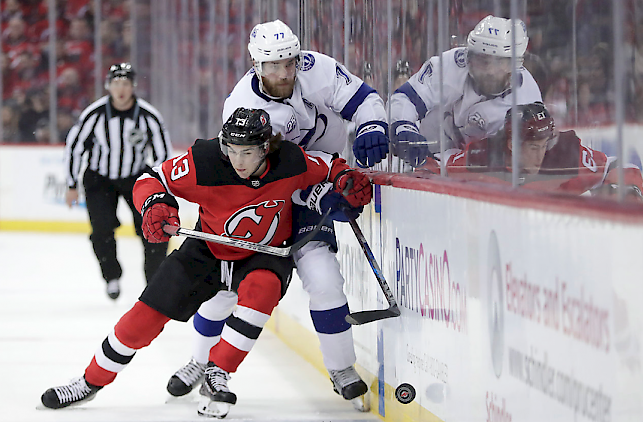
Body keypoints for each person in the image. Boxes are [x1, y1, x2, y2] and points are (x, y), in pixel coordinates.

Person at [41, 107, 373, 418]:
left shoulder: (290, 161)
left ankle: (219, 372)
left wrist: (346, 180)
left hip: (264, 255)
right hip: (206, 250)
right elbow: (150, 179)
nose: (238, 161)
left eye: (248, 152)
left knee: (264, 289)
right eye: (232, 149)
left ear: (266, 148)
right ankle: (90, 381)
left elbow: (329, 165)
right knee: (142, 318)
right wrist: (155, 205)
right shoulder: (205, 161)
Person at [165, 19, 387, 408]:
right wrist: (321, 189)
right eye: (273, 66)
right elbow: (250, 172)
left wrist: (370, 127)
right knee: (223, 292)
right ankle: (200, 360)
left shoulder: (316, 68)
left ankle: (341, 368)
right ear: (256, 66)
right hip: (261, 203)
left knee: (324, 280)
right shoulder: (242, 107)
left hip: (314, 181)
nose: (284, 73)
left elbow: (365, 99)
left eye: (289, 62)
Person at [63, 63, 172, 299]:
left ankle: (154, 282)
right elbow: (74, 148)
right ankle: (111, 275)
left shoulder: (149, 116)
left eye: (125, 83)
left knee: (152, 229)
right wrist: (71, 184)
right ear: (108, 87)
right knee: (101, 230)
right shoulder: (94, 115)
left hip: (136, 177)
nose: (120, 89)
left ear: (133, 86)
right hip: (99, 178)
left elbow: (163, 155)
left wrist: (162, 187)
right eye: (115, 83)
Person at [389, 15, 543, 167]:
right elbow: (405, 97)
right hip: (417, 159)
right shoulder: (452, 64)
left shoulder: (527, 98)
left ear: (513, 64)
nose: (486, 69)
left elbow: (512, 159)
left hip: (472, 175)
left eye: (494, 61)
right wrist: (404, 127)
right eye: (479, 58)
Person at [419, 102, 643, 200]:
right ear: (511, 144)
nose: (541, 155)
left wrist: (627, 190)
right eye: (534, 147)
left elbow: (622, 166)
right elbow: (436, 166)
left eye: (545, 145)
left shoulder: (566, 155)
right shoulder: (481, 157)